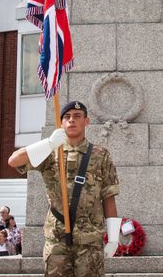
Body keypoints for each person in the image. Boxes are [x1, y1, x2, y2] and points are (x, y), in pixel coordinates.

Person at [8, 100, 121, 277]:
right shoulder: (50, 151)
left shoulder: (100, 155)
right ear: (61, 123)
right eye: (67, 117)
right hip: (57, 239)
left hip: (89, 239)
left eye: (77, 116)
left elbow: (109, 197)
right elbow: (14, 160)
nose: (71, 120)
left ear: (87, 121)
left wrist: (113, 238)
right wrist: (48, 143)